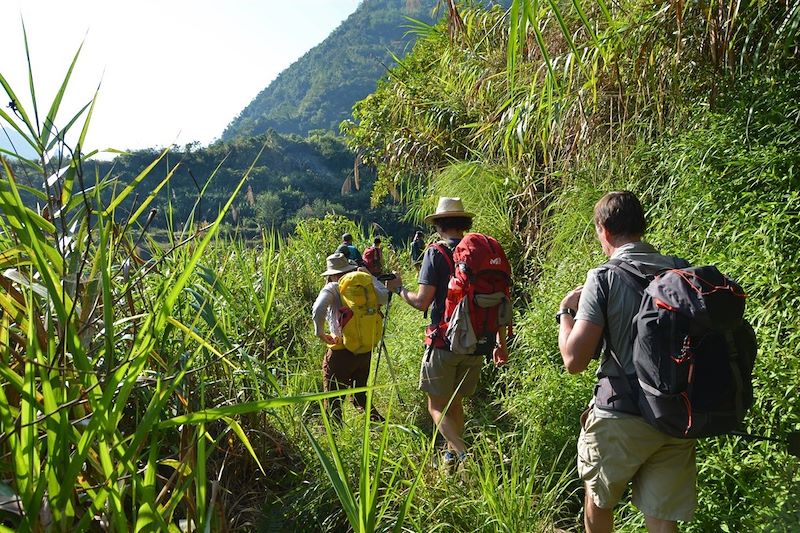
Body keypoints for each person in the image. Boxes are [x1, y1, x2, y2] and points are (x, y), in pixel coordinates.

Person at [557, 191, 695, 533]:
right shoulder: (681, 270)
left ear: (603, 230)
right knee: (663, 519)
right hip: (676, 413)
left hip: (621, 415)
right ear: (642, 227)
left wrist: (565, 312)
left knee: (598, 502)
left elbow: (574, 359)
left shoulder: (602, 277)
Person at [387, 197, 508, 465]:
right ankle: (451, 460)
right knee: (455, 403)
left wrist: (398, 288)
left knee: (436, 406)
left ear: (439, 224)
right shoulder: (479, 255)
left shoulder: (436, 252)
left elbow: (421, 301)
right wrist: (501, 343)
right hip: (479, 342)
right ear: (463, 223)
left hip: (444, 342)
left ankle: (465, 455)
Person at [312, 253, 388, 423]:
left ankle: (335, 432)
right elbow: (385, 296)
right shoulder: (365, 285)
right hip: (365, 349)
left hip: (341, 350)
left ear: (332, 273)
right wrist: (370, 277)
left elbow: (318, 309)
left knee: (333, 395)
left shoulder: (333, 287)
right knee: (360, 391)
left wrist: (319, 332)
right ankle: (377, 423)